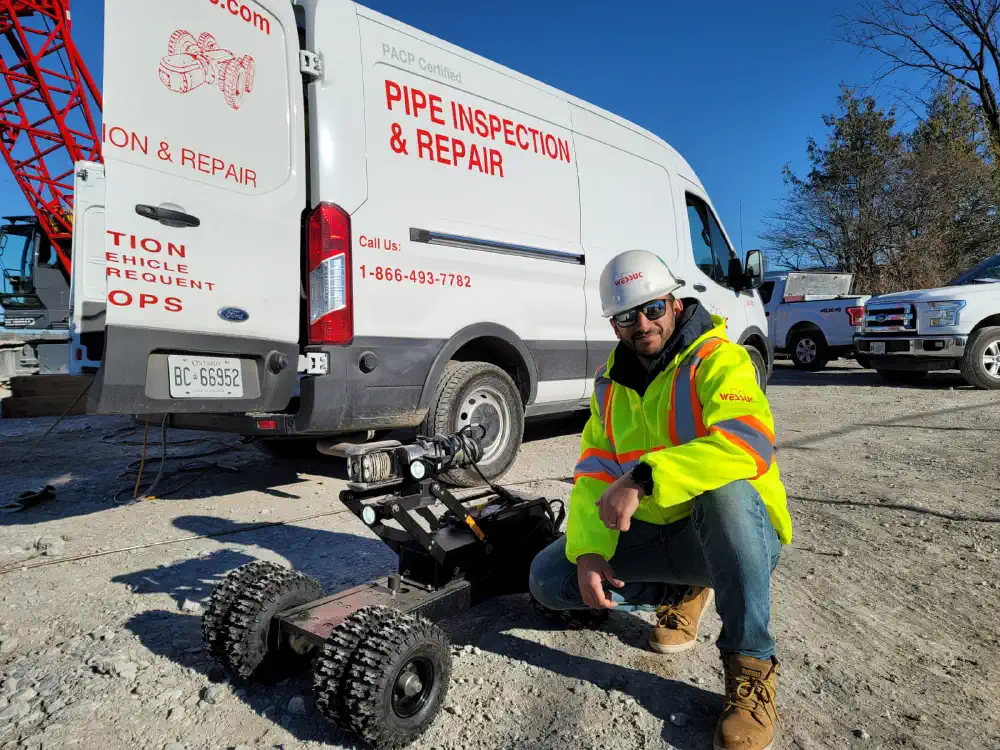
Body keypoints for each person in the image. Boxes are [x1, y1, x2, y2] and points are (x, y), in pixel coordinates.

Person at [529, 249, 793, 750]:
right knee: (550, 579)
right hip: (659, 534)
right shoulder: (611, 385)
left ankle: (751, 670)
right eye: (627, 316)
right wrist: (588, 550)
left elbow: (748, 443)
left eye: (652, 308)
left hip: (733, 537)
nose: (642, 323)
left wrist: (645, 477)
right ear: (614, 325)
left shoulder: (719, 359)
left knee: (727, 495)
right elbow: (592, 470)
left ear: (673, 303)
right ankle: (680, 594)